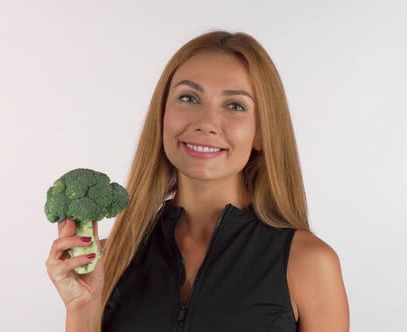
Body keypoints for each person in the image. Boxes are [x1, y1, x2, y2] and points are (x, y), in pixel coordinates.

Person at [45, 30, 349, 332]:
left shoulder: (308, 264)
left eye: (235, 105)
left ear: (261, 133)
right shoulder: (110, 259)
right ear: (162, 115)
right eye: (189, 98)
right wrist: (82, 309)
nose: (205, 123)